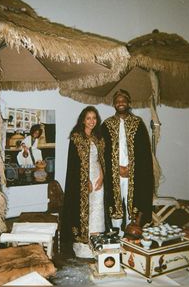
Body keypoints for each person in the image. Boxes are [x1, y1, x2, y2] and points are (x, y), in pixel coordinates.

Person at [101, 89, 154, 237]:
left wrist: (132, 169)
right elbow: (102, 152)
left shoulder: (138, 123)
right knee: (116, 206)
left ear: (128, 102)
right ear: (114, 104)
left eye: (123, 100)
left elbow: (144, 152)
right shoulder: (106, 125)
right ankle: (116, 236)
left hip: (133, 174)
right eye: (117, 101)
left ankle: (131, 237)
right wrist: (115, 169)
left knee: (132, 206)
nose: (120, 103)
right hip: (114, 174)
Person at [61, 106, 106, 258]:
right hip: (81, 180)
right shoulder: (76, 138)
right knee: (84, 210)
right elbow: (73, 164)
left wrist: (101, 176)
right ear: (83, 120)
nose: (92, 121)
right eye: (88, 118)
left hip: (97, 177)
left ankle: (95, 240)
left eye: (94, 118)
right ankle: (83, 245)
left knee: (97, 209)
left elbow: (100, 160)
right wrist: (84, 181)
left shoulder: (98, 138)